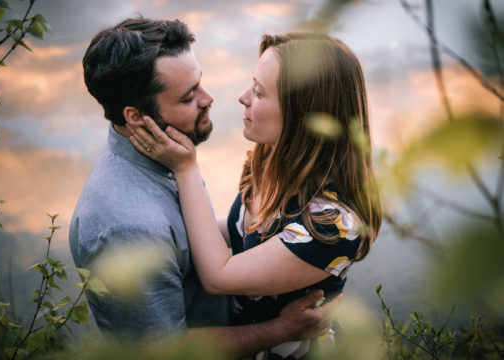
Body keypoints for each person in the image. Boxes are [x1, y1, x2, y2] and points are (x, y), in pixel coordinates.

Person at [69, 17, 340, 357]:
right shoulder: (127, 227)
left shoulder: (169, 159)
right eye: (188, 97)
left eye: (200, 83)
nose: (209, 98)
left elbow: (210, 236)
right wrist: (280, 329)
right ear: (137, 117)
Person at [126, 32, 382, 359]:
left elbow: (219, 276)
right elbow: (236, 230)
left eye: (259, 92)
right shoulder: (267, 164)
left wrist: (186, 168)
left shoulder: (332, 226)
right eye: (251, 83)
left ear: (302, 114)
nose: (242, 97)